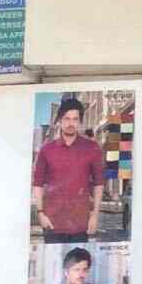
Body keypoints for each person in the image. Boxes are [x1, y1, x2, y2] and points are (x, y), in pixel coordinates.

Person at [32, 96, 105, 243]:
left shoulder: (92, 148)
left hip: (80, 225)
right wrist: (40, 213)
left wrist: (95, 215)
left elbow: (99, 183)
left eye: (75, 119)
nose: (71, 123)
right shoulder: (46, 150)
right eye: (66, 119)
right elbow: (38, 183)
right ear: (60, 120)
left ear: (80, 122)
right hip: (52, 224)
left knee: (78, 257)